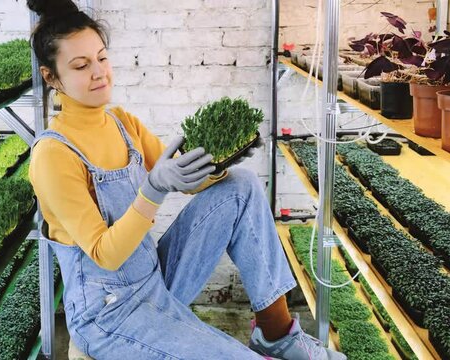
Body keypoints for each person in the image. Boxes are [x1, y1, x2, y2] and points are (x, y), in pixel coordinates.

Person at [27, 0, 347, 359]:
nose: (99, 72)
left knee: (240, 186)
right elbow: (106, 255)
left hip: (155, 280)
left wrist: (221, 159)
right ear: (51, 76)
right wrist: (153, 189)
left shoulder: (121, 122)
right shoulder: (53, 155)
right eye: (81, 65)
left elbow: (185, 177)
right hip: (109, 314)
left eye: (102, 58)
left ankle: (276, 336)